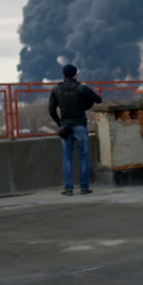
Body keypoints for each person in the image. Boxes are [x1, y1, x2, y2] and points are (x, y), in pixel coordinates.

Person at [48, 64, 102, 195]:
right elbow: (98, 99)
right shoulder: (81, 88)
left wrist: (61, 124)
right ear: (75, 74)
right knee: (84, 157)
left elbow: (51, 110)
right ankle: (84, 187)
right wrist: (84, 105)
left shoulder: (56, 89)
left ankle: (68, 188)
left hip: (66, 127)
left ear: (64, 74)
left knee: (67, 158)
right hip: (80, 126)